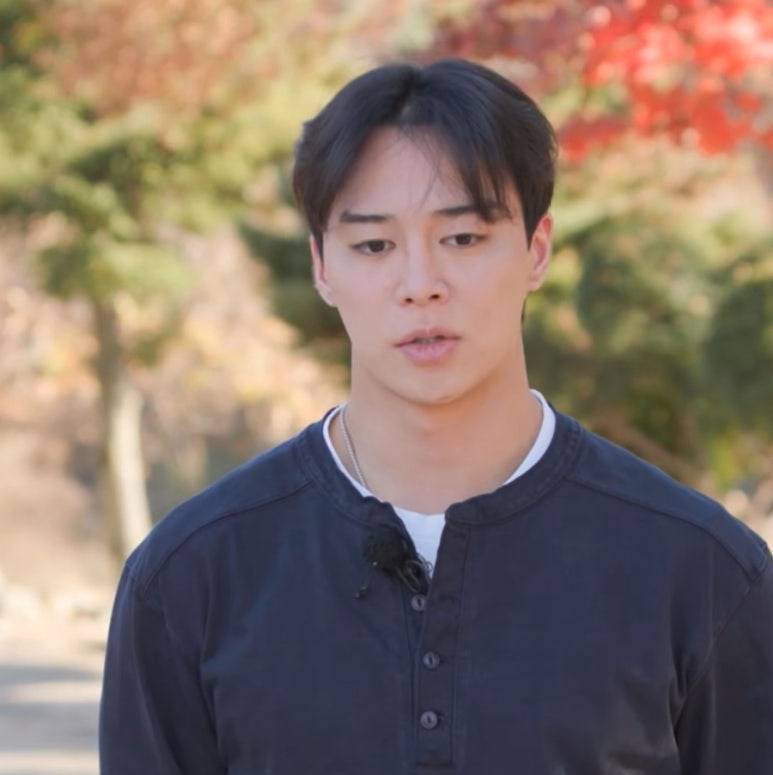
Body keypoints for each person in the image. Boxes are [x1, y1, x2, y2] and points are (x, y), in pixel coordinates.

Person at [99, 59, 773, 774]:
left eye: (463, 238)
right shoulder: (190, 575)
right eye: (373, 245)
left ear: (536, 250)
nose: (420, 285)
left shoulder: (700, 572)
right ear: (322, 266)